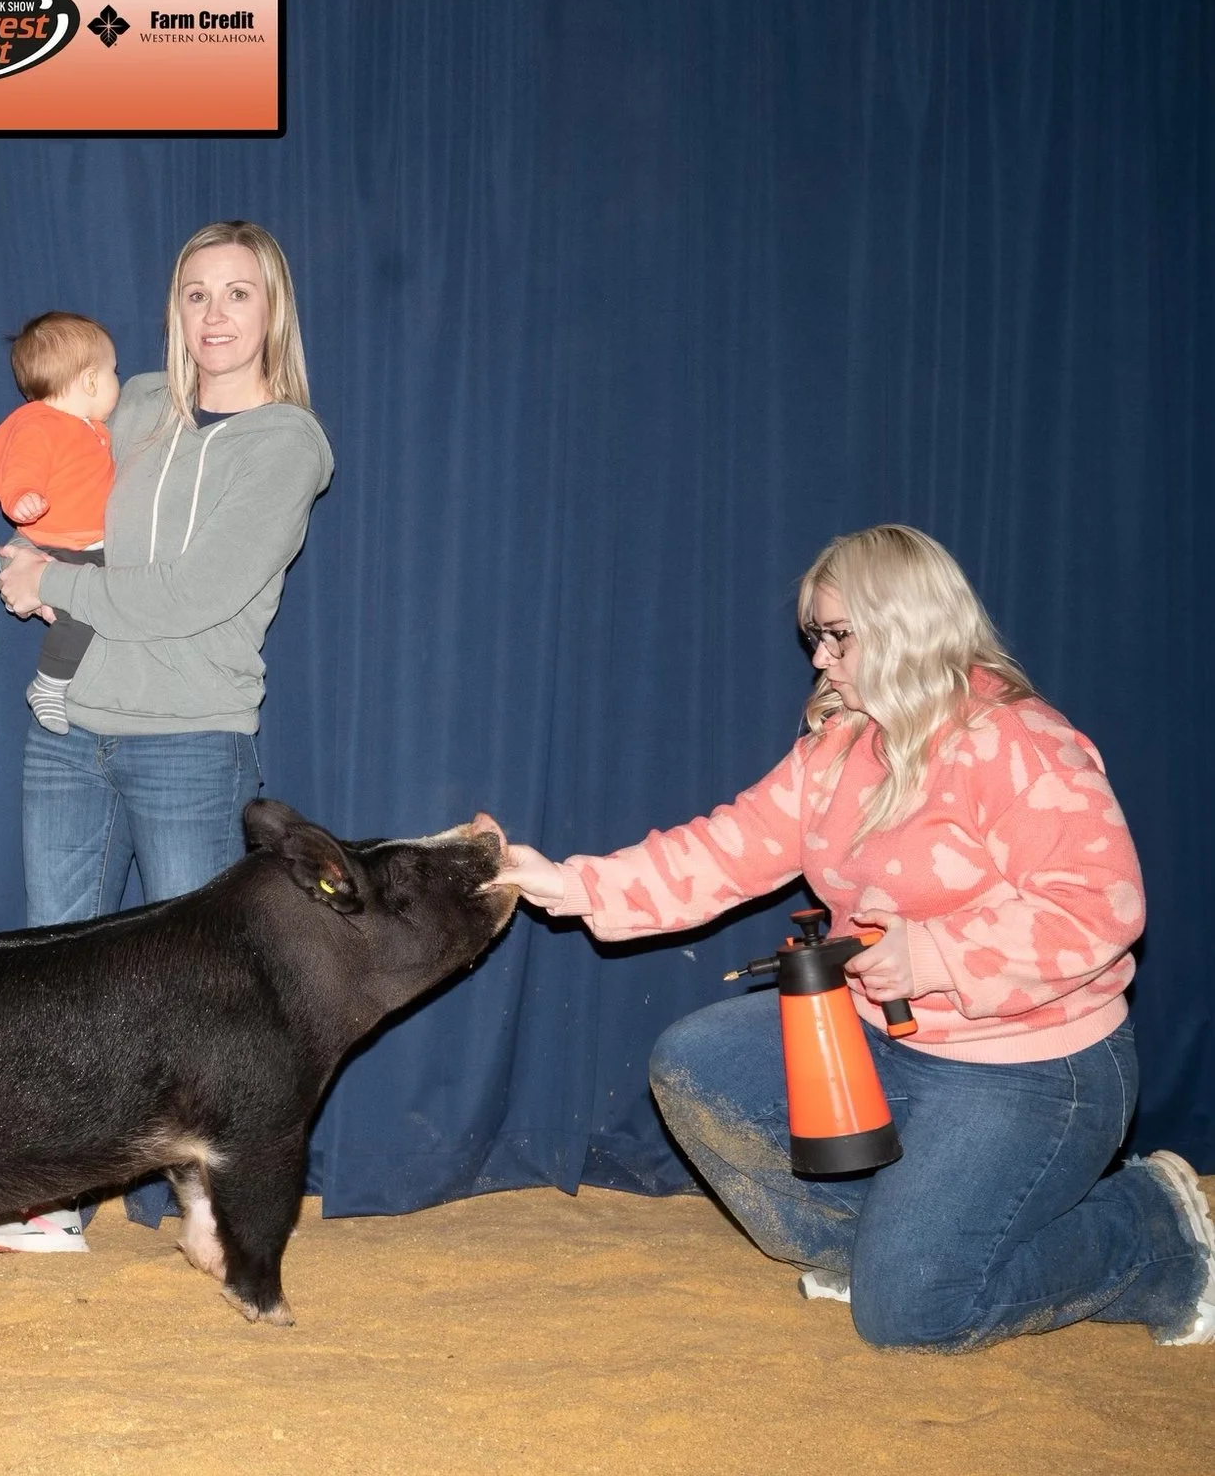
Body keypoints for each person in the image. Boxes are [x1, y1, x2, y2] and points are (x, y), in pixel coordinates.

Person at [493, 525, 1214, 1351]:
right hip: (884, 1040)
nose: (819, 659)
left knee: (915, 1315)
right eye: (816, 637)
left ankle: (1151, 1231)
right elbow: (723, 849)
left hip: (1036, 1070)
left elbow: (1101, 906)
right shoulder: (839, 745)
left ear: (907, 622)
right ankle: (877, 1248)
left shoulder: (1020, 743)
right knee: (696, 1064)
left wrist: (937, 953)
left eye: (838, 635)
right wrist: (571, 883)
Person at [0, 221, 333, 1246]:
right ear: (172, 309)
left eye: (237, 293)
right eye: (195, 294)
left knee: (200, 996)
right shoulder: (131, 402)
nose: (215, 314)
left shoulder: (289, 443)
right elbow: (39, 473)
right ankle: (55, 1194)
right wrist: (30, 536)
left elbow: (193, 594)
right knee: (56, 982)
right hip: (69, 731)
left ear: (272, 309)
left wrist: (52, 579)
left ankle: (207, 1200)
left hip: (189, 737)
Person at [0, 312, 120, 735]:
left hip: (83, 546)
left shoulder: (91, 428)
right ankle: (50, 684)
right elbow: (13, 463)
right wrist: (20, 496)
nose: (119, 381)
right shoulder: (38, 422)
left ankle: (72, 680)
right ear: (92, 381)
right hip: (43, 544)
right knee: (86, 613)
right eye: (114, 372)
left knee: (107, 608)